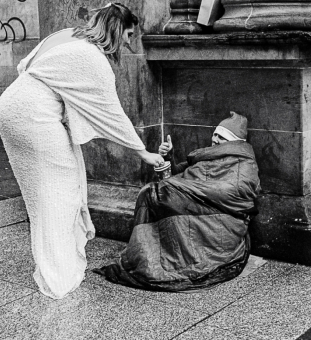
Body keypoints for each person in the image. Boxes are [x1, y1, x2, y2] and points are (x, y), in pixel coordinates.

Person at [0, 3, 164, 300]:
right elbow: (112, 114)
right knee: (59, 192)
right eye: (128, 34)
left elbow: (26, 66)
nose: (128, 42)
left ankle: (55, 259)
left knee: (43, 192)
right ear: (115, 29)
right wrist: (143, 152)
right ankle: (59, 272)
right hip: (34, 116)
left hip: (11, 106)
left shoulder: (67, 36)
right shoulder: (93, 58)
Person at [96, 112, 261, 292]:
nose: (214, 139)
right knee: (151, 194)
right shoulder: (205, 156)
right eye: (214, 134)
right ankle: (154, 256)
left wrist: (184, 188)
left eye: (221, 137)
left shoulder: (244, 164)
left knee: (159, 193)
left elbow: (237, 191)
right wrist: (168, 157)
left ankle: (169, 259)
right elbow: (176, 175)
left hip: (221, 218)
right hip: (194, 206)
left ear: (234, 142)